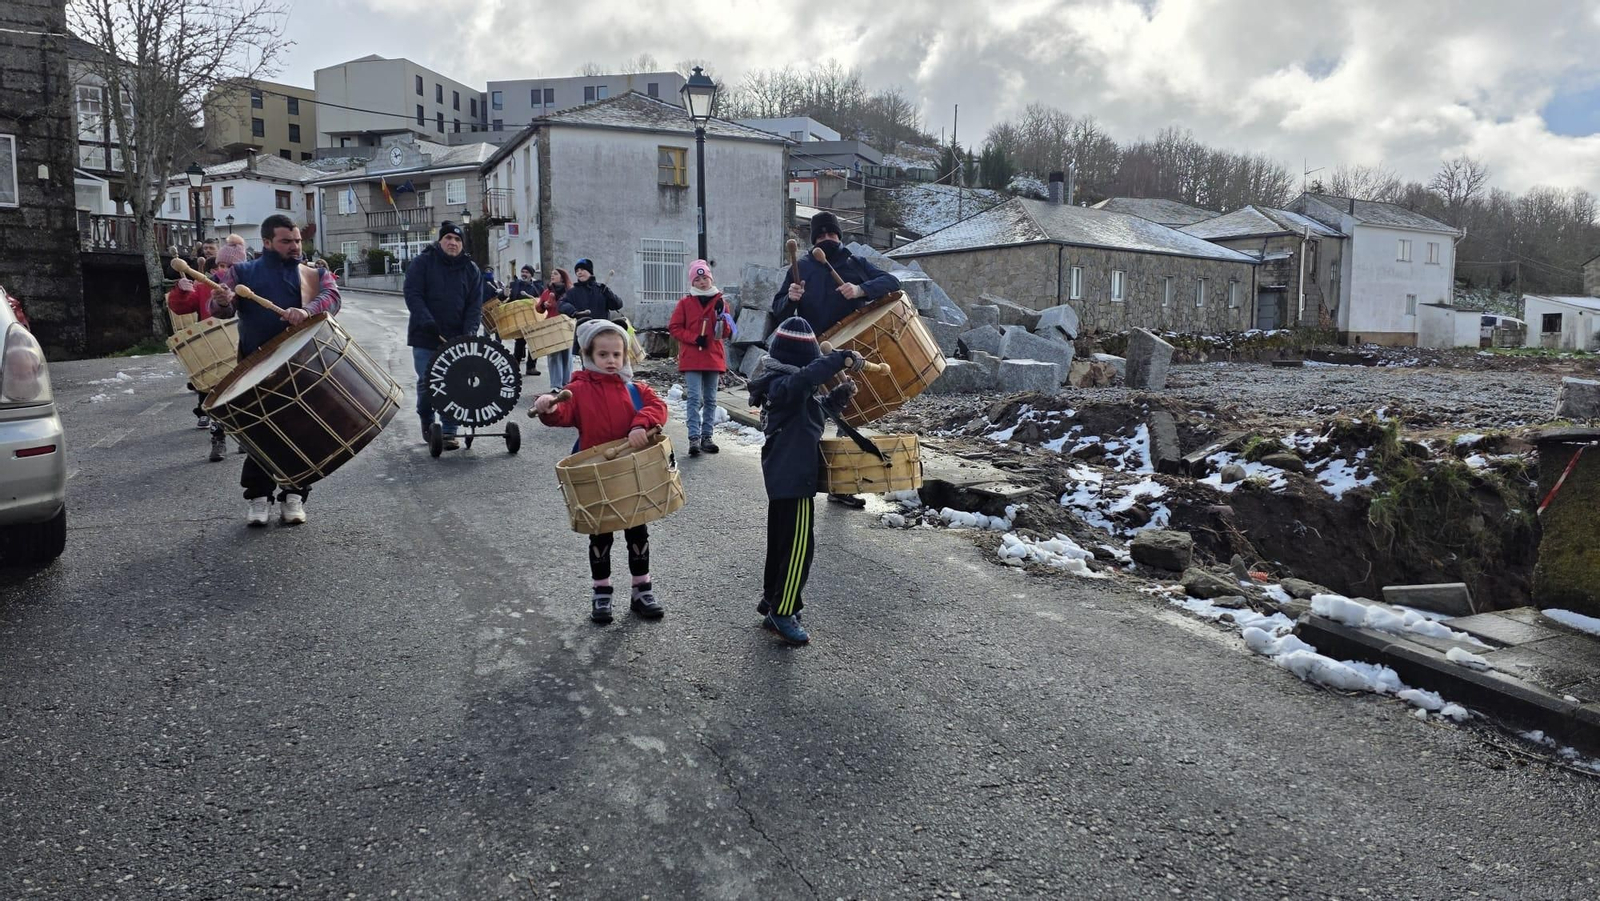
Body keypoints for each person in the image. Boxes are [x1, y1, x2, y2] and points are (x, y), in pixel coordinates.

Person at [532, 319, 669, 625]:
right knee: (600, 536)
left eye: (616, 355)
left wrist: (640, 424)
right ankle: (601, 592)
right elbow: (563, 414)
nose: (611, 361)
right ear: (589, 355)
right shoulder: (577, 390)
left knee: (637, 532)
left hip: (631, 475)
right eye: (603, 354)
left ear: (625, 356)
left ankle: (641, 589)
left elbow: (659, 406)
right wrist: (549, 409)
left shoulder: (635, 389)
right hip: (595, 476)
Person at [211, 214, 341, 526]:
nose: (295, 246)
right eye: (287, 241)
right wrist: (222, 300)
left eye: (297, 240)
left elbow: (333, 298)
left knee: (301, 432)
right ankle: (258, 499)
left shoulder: (313, 274)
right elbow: (218, 309)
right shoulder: (242, 272)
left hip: (303, 367)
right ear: (267, 242)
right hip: (254, 367)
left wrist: (306, 310)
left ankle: (294, 495)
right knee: (259, 433)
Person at [746, 317, 865, 645]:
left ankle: (772, 600)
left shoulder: (789, 389)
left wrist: (838, 397)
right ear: (802, 363)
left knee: (782, 545)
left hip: (786, 478)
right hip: (793, 480)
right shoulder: (781, 386)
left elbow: (812, 411)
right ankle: (784, 610)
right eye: (811, 364)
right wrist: (838, 358)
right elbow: (803, 382)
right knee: (800, 549)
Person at [772, 210, 901, 508]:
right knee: (811, 420)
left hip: (852, 351)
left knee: (848, 417)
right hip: (815, 354)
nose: (827, 239)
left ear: (840, 236)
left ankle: (841, 485)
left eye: (832, 234)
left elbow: (891, 282)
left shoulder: (854, 262)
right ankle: (805, 477)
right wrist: (790, 298)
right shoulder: (800, 267)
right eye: (821, 235)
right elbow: (777, 312)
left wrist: (860, 288)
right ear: (814, 239)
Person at [403, 221, 483, 451]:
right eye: (448, 238)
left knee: (454, 382)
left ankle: (449, 429)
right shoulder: (423, 263)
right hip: (425, 336)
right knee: (428, 382)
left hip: (457, 339)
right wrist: (426, 321)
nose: (453, 243)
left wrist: (469, 333)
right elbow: (413, 294)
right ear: (440, 241)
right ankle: (428, 422)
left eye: (457, 240)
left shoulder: (471, 269)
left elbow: (474, 306)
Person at [668, 259, 736, 457]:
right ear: (692, 283)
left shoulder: (720, 302)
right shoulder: (685, 303)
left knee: (711, 398)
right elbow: (674, 327)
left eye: (704, 277)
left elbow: (726, 333)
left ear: (710, 278)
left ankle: (707, 436)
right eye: (697, 279)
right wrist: (693, 337)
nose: (702, 282)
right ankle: (694, 438)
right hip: (692, 357)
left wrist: (722, 321)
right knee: (694, 398)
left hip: (712, 356)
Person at [166, 256, 231, 461]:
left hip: (242, 347)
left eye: (230, 266)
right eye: (221, 265)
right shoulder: (204, 287)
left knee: (246, 397)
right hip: (212, 349)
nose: (224, 270)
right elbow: (181, 307)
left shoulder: (250, 282)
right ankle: (218, 439)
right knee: (212, 397)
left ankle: (248, 443)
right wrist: (181, 290)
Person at [537, 268, 575, 390]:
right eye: (551, 273)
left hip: (566, 325)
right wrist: (544, 305)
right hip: (551, 325)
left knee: (566, 355)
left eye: (555, 274)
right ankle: (555, 385)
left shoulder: (570, 291)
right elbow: (538, 308)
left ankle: (566, 383)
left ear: (562, 277)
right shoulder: (547, 292)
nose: (552, 275)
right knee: (553, 354)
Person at [507, 265, 544, 376]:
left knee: (534, 343)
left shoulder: (537, 286)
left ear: (531, 274)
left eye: (526, 272)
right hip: (520, 318)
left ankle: (531, 367)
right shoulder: (515, 284)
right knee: (519, 342)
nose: (524, 274)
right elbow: (510, 299)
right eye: (522, 271)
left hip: (534, 318)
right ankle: (515, 366)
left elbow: (540, 300)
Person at [563, 258, 622, 327]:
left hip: (602, 329)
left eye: (582, 269)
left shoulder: (601, 289)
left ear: (590, 272)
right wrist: (573, 312)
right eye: (577, 271)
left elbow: (618, 305)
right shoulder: (572, 292)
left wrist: (609, 294)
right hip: (582, 330)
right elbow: (562, 304)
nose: (579, 272)